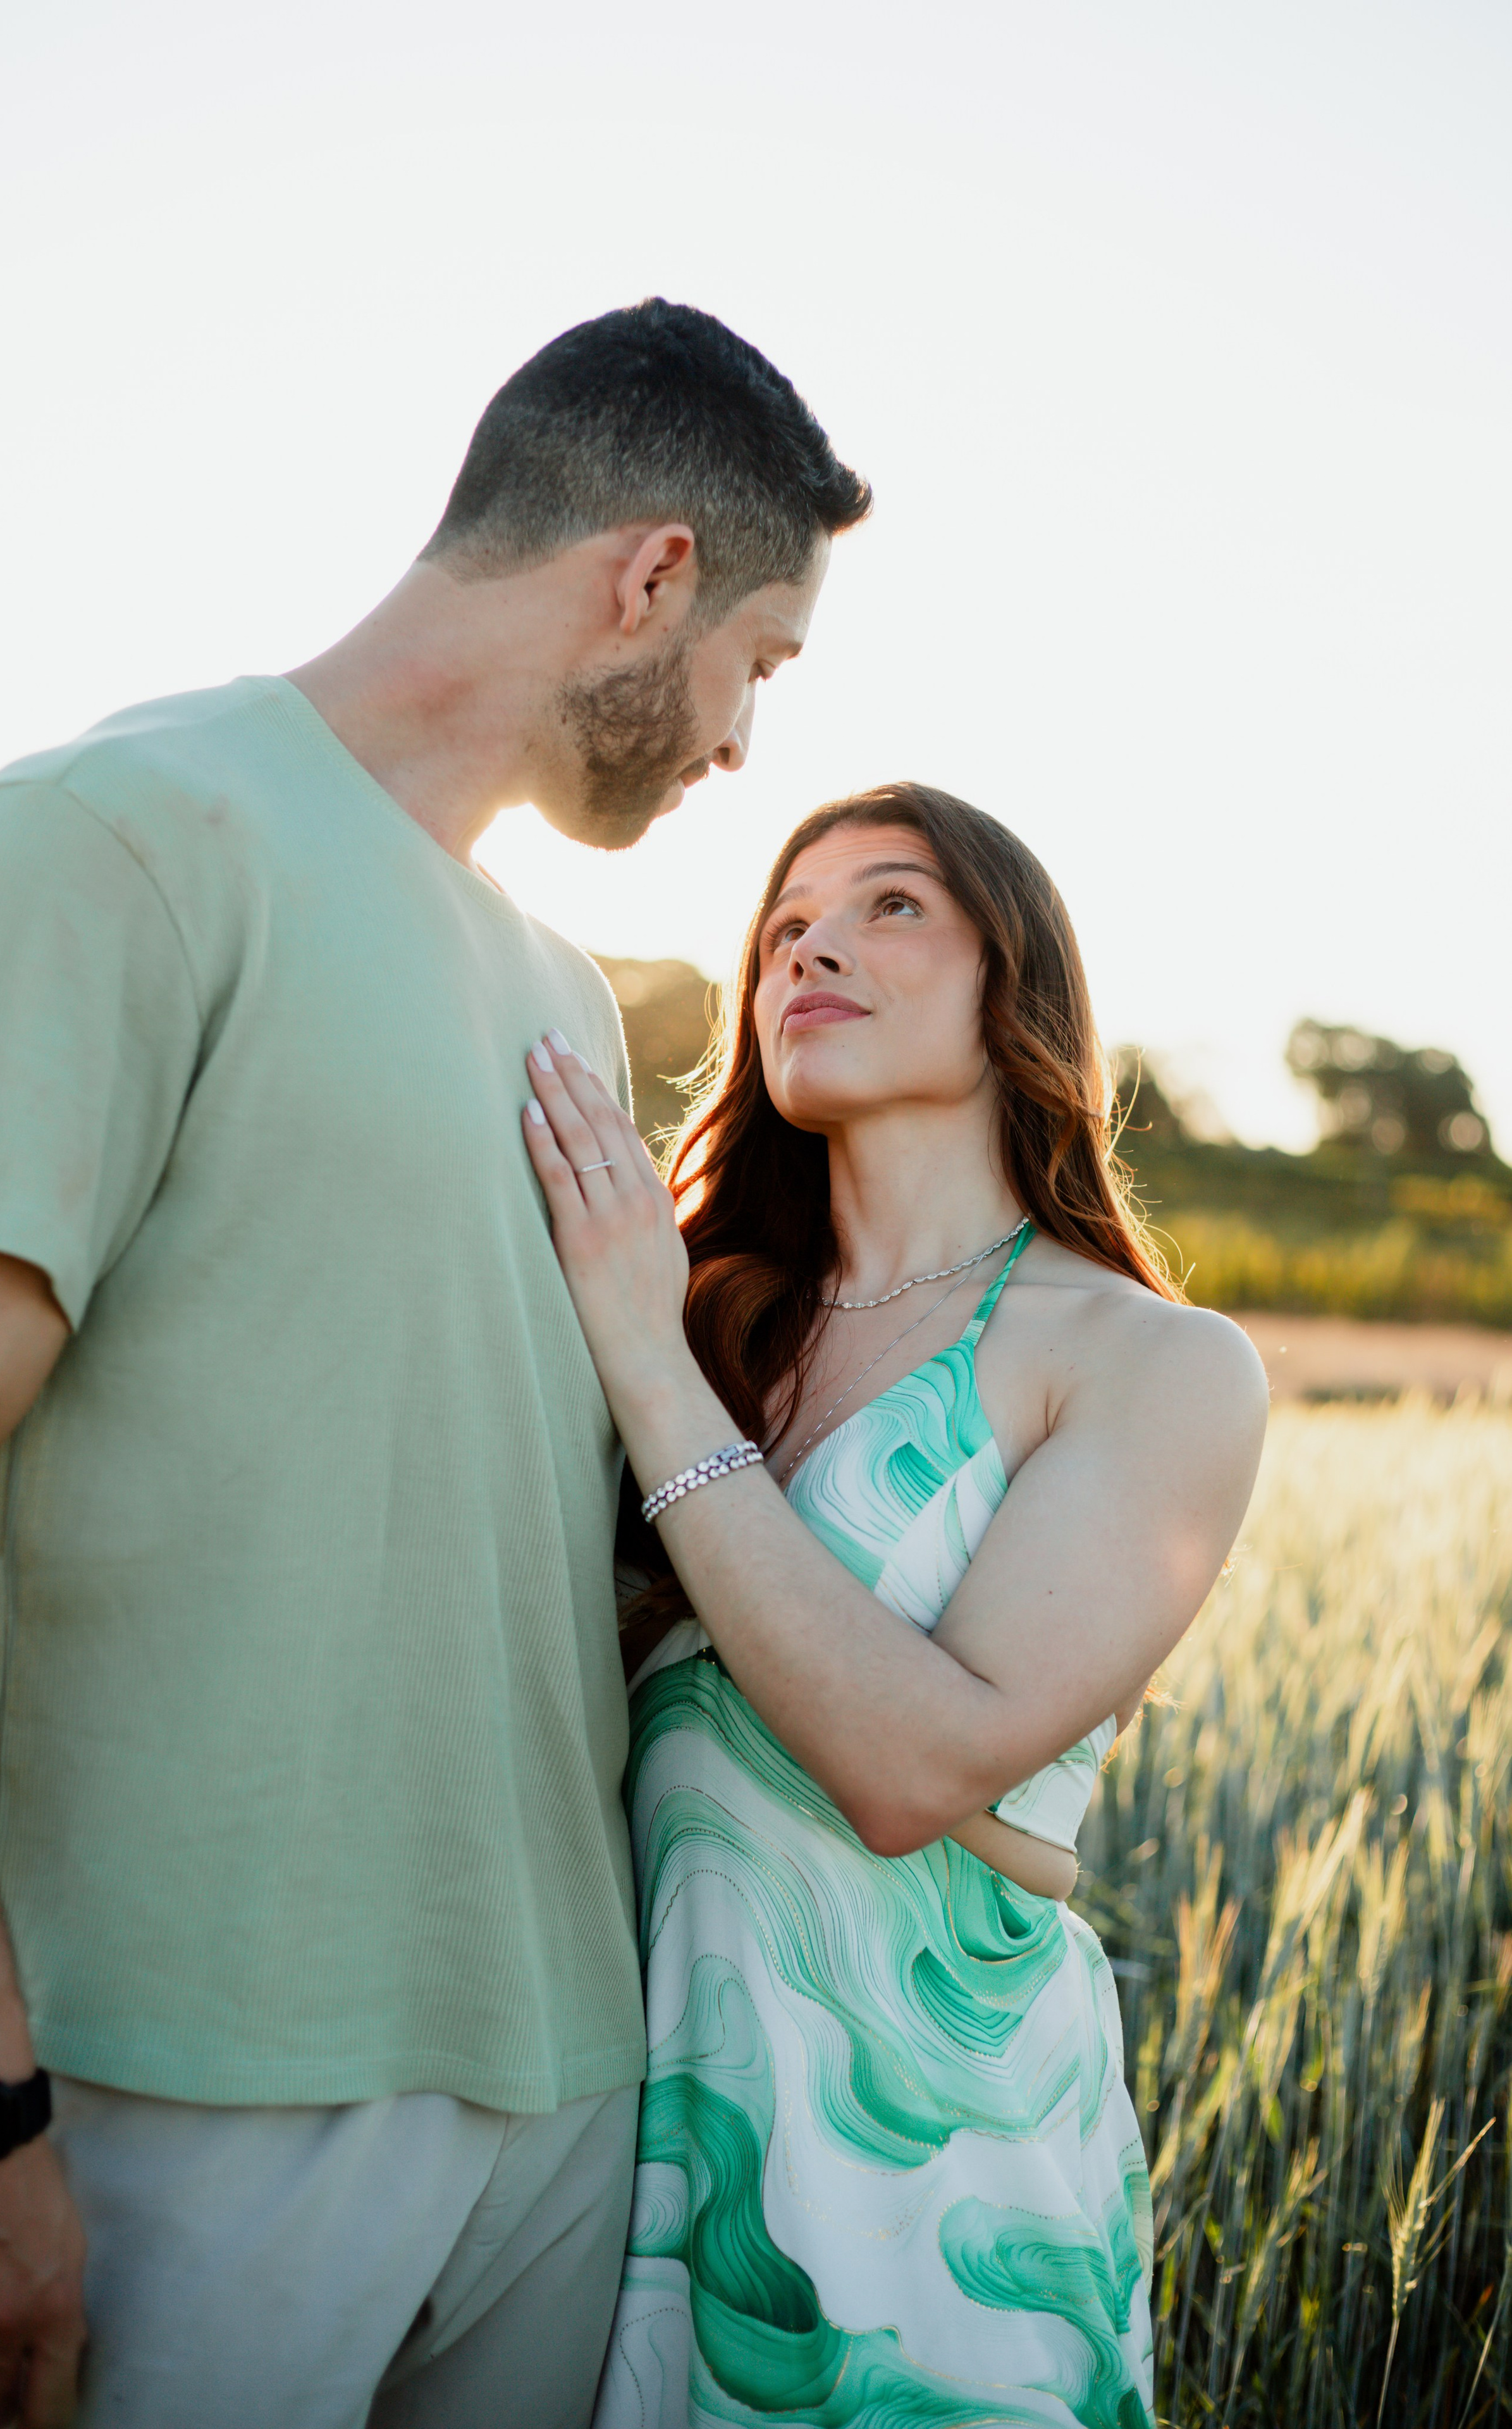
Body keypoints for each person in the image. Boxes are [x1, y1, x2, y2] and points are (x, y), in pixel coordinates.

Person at [0, 300, 869, 2429]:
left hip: (559, 2093)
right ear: (651, 580)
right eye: (760, 671)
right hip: (192, 2083)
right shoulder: (118, 840)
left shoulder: (559, 992)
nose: (739, 750)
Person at [519, 782, 1269, 2426]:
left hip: (934, 2160)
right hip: (600, 2129)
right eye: (785, 925)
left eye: (889, 905)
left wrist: (646, 1367)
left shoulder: (1149, 1361)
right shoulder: (702, 1313)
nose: (815, 947)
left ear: (1019, 980)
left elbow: (916, 1770)